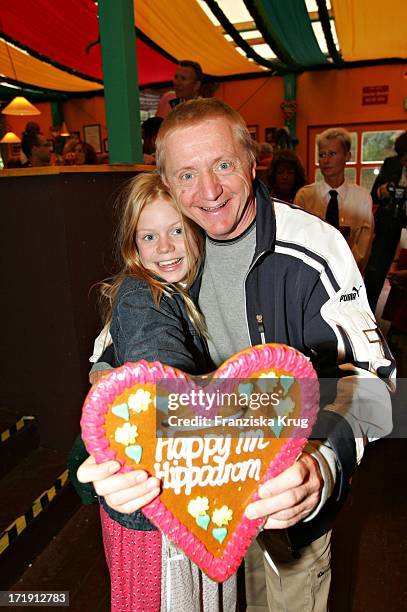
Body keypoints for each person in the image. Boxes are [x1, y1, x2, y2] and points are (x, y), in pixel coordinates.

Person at [78, 100, 394, 611]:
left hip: (285, 502)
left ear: (251, 162)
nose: (208, 191)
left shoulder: (312, 247)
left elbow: (374, 382)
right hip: (210, 504)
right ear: (167, 183)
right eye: (187, 174)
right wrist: (115, 419)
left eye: (223, 165)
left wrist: (322, 464)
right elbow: (114, 352)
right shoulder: (175, 248)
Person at [74, 172, 236, 611]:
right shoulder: (142, 293)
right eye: (149, 236)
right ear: (133, 247)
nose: (164, 248)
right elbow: (160, 371)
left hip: (176, 504)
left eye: (176, 231)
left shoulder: (187, 293)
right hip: (154, 517)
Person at [295, 128, 374, 273]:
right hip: (312, 273)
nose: (326, 160)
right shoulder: (305, 196)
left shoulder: (362, 198)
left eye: (332, 154)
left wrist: (344, 272)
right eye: (322, 155)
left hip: (350, 273)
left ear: (347, 156)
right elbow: (299, 240)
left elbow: (363, 246)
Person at [364, 131, 407, 312]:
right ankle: (369, 316)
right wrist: (384, 191)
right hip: (387, 227)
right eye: (402, 157)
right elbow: (375, 194)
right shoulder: (391, 164)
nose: (404, 162)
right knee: (374, 277)